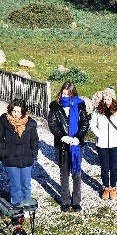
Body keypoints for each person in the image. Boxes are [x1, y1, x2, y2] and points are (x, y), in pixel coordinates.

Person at [48, 81, 89, 212]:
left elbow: (84, 123)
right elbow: (53, 124)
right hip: (62, 145)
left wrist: (78, 137)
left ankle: (76, 201)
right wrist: (62, 136)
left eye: (68, 94)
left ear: (73, 94)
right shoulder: (55, 106)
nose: (65, 96)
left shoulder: (80, 104)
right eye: (63, 93)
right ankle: (65, 201)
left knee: (76, 173)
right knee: (64, 173)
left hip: (77, 144)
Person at [0, 98, 40, 207]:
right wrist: (3, 154)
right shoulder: (4, 122)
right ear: (10, 110)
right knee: (15, 186)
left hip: (26, 159)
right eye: (14, 111)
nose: (16, 114)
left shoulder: (30, 124)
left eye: (19, 112)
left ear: (23, 112)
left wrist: (33, 154)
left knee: (25, 185)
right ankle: (16, 209)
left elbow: (34, 140)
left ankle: (27, 206)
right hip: (10, 159)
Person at [89, 87, 117, 200]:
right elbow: (92, 124)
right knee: (104, 167)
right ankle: (105, 187)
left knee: (113, 167)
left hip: (115, 144)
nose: (106, 101)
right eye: (104, 99)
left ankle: (112, 187)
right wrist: (98, 134)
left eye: (108, 99)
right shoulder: (97, 111)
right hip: (101, 144)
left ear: (113, 99)